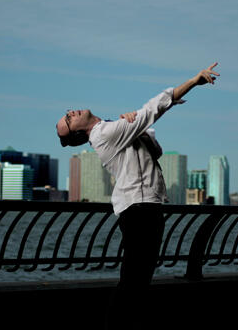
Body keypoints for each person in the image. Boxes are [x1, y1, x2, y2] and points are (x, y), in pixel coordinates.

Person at [56, 62, 220, 329]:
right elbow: (152, 109)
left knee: (138, 276)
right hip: (139, 209)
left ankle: (127, 326)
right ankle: (118, 329)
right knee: (134, 278)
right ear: (78, 131)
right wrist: (193, 82)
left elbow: (154, 151)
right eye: (68, 119)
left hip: (145, 206)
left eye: (67, 114)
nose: (71, 113)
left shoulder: (113, 128)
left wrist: (137, 127)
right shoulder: (105, 133)